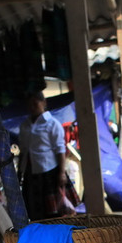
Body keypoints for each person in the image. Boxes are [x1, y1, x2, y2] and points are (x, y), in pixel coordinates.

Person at [18, 90, 70, 220]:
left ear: (44, 103)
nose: (32, 108)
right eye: (29, 105)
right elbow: (23, 151)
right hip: (30, 172)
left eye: (35, 104)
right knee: (33, 208)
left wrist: (62, 173)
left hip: (49, 171)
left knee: (52, 210)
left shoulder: (52, 124)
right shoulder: (24, 126)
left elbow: (60, 149)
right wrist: (20, 171)